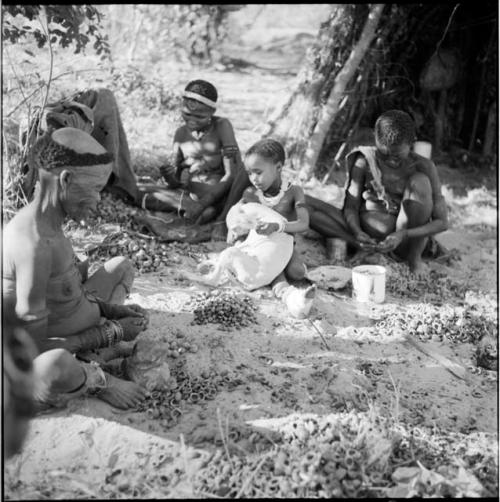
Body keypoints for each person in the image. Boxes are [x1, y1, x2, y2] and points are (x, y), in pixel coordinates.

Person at [2, 127, 150, 411]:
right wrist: (111, 333)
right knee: (56, 366)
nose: (97, 200)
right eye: (94, 189)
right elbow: (30, 350)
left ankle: (95, 355)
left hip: (72, 327)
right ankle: (96, 378)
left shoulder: (52, 224)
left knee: (121, 266)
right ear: (66, 180)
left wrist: (110, 311)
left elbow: (67, 291)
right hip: (41, 353)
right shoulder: (32, 244)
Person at [334, 109, 449, 273]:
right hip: (365, 240)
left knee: (420, 181)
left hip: (404, 244)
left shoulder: (424, 167)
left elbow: (442, 222)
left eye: (397, 156)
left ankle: (414, 260)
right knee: (308, 206)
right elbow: (350, 207)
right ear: (375, 138)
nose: (390, 161)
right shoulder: (365, 161)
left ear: (412, 142)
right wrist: (357, 231)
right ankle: (361, 250)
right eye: (384, 154)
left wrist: (403, 234)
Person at [236, 138, 316, 315]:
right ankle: (290, 296)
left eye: (258, 172)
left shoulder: (294, 192)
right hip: (257, 246)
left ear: (278, 167)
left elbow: (304, 224)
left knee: (296, 272)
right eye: (249, 173)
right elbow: (241, 218)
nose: (253, 179)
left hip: (284, 245)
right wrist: (237, 226)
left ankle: (291, 288)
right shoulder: (250, 194)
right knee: (272, 269)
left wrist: (277, 227)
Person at [149, 79, 244, 226]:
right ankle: (201, 214)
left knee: (216, 208)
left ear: (212, 112)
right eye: (187, 114)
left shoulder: (222, 126)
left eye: (199, 116)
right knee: (146, 192)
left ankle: (218, 218)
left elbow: (232, 174)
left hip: (223, 198)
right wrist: (168, 176)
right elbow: (176, 182)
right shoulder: (180, 134)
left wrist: (202, 205)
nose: (192, 120)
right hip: (191, 198)